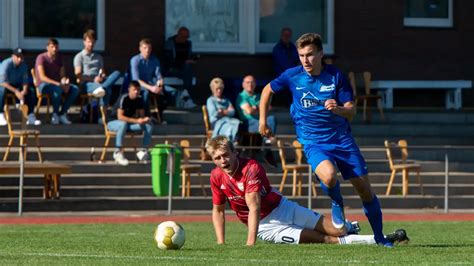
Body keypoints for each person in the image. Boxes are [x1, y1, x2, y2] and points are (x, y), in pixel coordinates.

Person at [258, 33, 393, 246]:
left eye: (310, 54)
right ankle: (337, 202)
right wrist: (262, 120)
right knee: (329, 177)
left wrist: (338, 108)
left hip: (342, 140)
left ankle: (379, 237)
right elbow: (267, 90)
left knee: (364, 189)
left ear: (321, 54)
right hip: (314, 142)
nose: (305, 60)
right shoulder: (292, 75)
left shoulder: (336, 76)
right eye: (301, 55)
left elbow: (352, 111)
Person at [206, 135, 409, 246]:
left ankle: (348, 226)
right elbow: (218, 210)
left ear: (235, 152)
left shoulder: (251, 167)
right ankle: (381, 239)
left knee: (338, 230)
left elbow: (254, 207)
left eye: (225, 155)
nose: (223, 161)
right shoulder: (216, 176)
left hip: (282, 208)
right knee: (326, 240)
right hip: (267, 227)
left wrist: (250, 244)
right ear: (213, 160)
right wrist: (220, 243)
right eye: (217, 158)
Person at [108, 81, 153, 166]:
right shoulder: (124, 98)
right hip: (114, 123)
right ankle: (117, 151)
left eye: (138, 90)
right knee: (123, 123)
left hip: (129, 124)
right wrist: (137, 121)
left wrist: (146, 119)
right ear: (129, 90)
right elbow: (120, 117)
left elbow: (141, 116)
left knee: (148, 125)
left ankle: (143, 151)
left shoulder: (140, 99)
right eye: (134, 89)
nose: (136, 92)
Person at [35, 38, 79, 125]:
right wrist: (59, 84)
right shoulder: (41, 58)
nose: (54, 49)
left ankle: (62, 113)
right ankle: (55, 114)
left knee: (75, 89)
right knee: (57, 90)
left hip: (57, 85)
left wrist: (65, 82)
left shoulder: (60, 58)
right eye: (52, 47)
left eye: (56, 47)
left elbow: (62, 75)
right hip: (43, 86)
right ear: (47, 47)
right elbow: (42, 77)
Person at [74, 29, 120, 108]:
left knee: (117, 73)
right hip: (87, 83)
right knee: (107, 90)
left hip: (100, 81)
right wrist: (93, 79)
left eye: (93, 42)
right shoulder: (79, 57)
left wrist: (102, 76)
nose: (91, 44)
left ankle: (102, 88)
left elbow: (102, 71)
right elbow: (78, 75)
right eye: (89, 42)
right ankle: (100, 115)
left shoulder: (99, 57)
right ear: (84, 42)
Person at [0, 48, 40, 126]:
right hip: (6, 85)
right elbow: (2, 82)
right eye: (17, 56)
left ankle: (30, 115)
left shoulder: (24, 65)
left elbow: (25, 81)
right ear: (12, 56)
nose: (19, 59)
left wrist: (24, 90)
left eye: (21, 57)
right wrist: (16, 92)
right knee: (1, 90)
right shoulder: (6, 64)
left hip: (17, 85)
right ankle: (0, 114)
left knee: (31, 91)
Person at [130, 38, 167, 122]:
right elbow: (136, 79)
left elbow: (158, 75)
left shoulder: (154, 60)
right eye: (145, 48)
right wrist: (151, 88)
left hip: (152, 84)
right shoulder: (135, 60)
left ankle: (157, 115)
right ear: (140, 49)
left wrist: (160, 84)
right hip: (139, 85)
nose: (147, 50)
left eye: (149, 48)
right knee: (145, 93)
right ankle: (147, 116)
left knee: (170, 92)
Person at [163, 26, 197, 106]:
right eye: (184, 37)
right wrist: (183, 62)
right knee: (188, 71)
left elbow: (189, 56)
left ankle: (186, 95)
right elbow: (168, 61)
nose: (185, 39)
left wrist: (193, 59)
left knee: (188, 69)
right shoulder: (170, 43)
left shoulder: (188, 44)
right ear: (178, 35)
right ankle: (187, 96)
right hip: (171, 69)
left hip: (183, 69)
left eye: (187, 37)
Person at [206, 77, 240, 143]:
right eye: (217, 89)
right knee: (228, 125)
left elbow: (232, 112)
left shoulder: (226, 100)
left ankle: (230, 141)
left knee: (236, 123)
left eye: (220, 89)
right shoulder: (210, 100)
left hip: (228, 120)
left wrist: (222, 111)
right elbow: (214, 114)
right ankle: (227, 142)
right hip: (215, 122)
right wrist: (227, 111)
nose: (219, 90)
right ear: (213, 89)